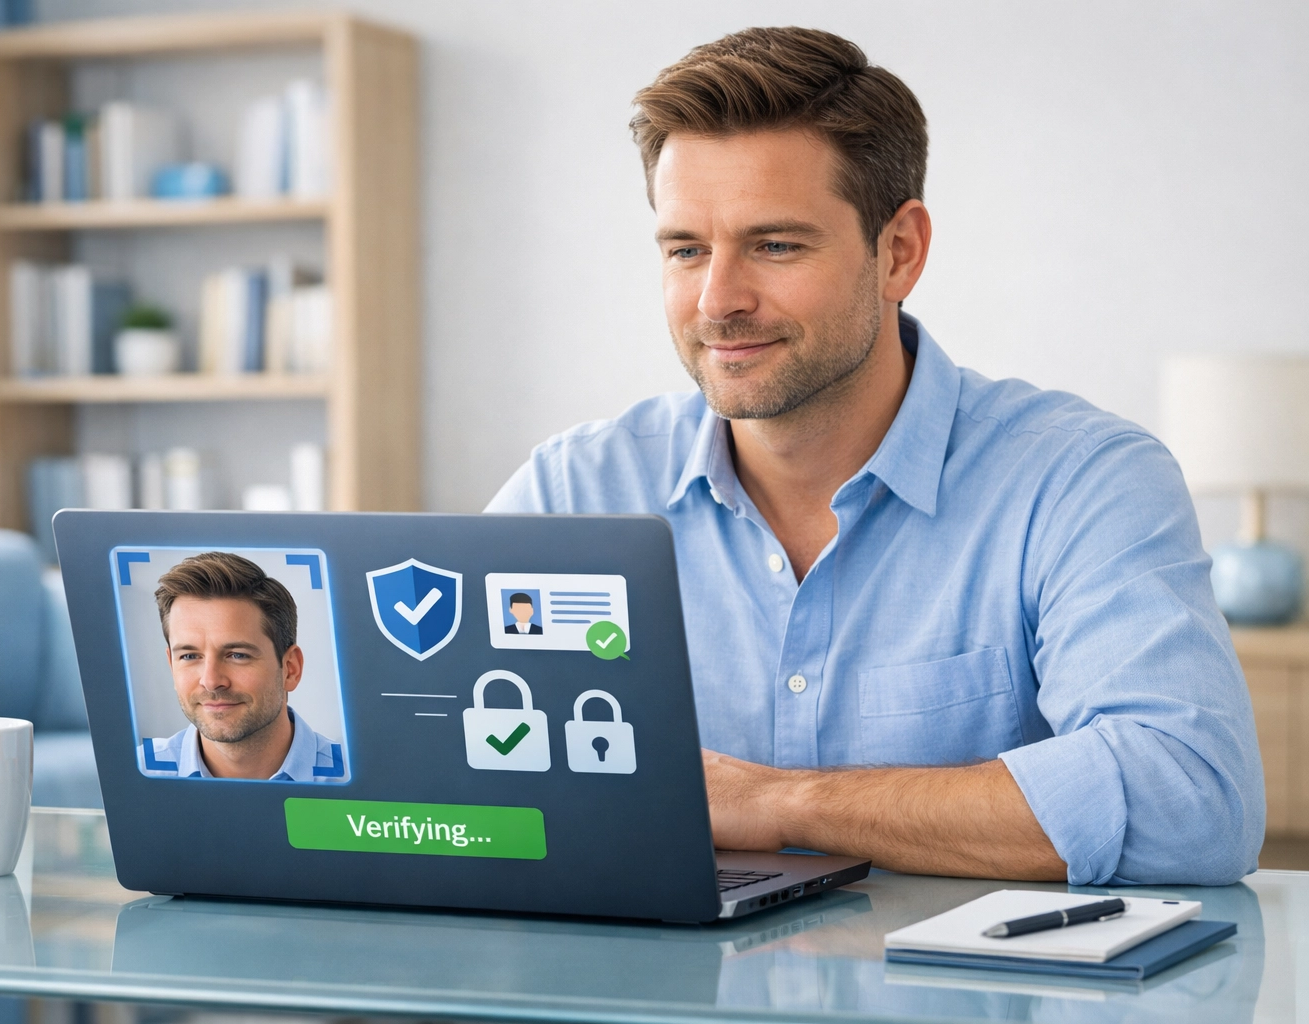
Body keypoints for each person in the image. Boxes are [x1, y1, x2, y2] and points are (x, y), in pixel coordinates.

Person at [487, 27, 1264, 885]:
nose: (718, 301)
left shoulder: (1080, 482)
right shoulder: (574, 489)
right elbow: (437, 771)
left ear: (899, 252)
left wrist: (785, 805)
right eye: (686, 250)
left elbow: (1192, 798)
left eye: (775, 245)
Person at [138, 551, 341, 781]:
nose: (212, 681)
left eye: (237, 655)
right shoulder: (134, 777)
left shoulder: (363, 786)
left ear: (290, 669)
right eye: (189, 656)